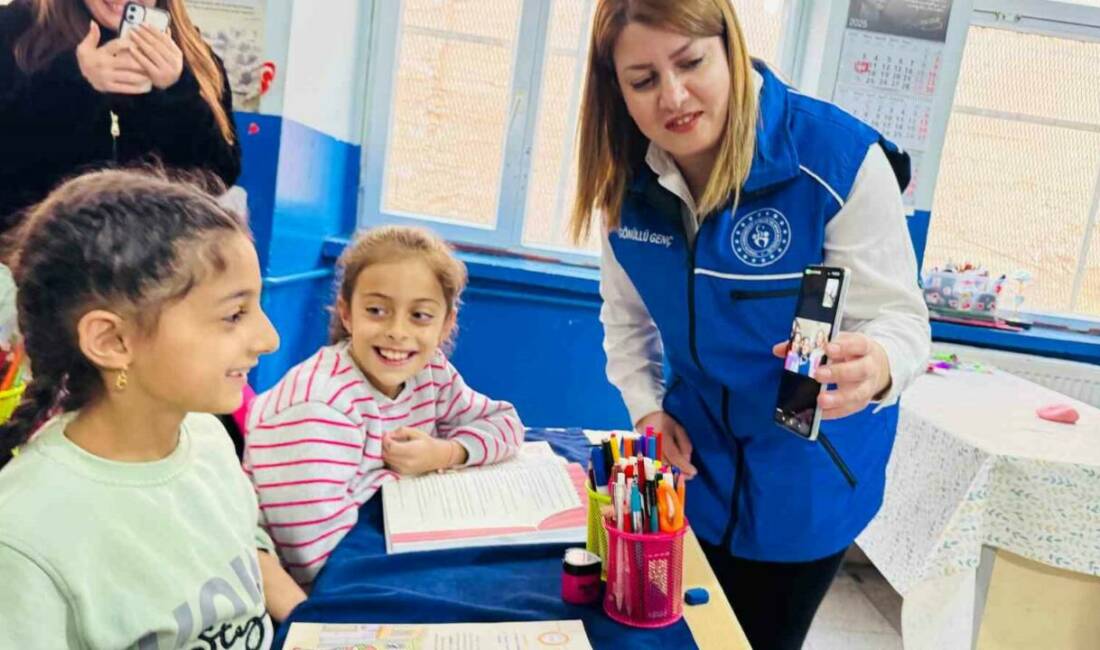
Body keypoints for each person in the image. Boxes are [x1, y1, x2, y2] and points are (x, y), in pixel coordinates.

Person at [569, 1, 930, 647]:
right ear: (615, 89)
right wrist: (648, 409)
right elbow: (626, 322)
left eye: (691, 62)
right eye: (643, 80)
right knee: (681, 632)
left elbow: (899, 316)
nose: (673, 97)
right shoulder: (623, 182)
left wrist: (876, 363)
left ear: (730, 47)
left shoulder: (838, 157)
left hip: (810, 478)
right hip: (693, 470)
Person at [0, 169, 305, 647]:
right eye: (233, 315)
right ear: (112, 340)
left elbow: (247, 553)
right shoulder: (24, 536)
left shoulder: (206, 437)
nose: (269, 339)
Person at [244, 225, 525, 584]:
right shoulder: (319, 405)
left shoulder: (431, 370)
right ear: (347, 313)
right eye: (377, 310)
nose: (397, 331)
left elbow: (504, 422)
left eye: (420, 315)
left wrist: (445, 453)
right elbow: (312, 560)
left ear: (445, 324)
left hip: (387, 549)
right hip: (321, 591)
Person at [0, 0, 240, 234]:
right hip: (30, 257)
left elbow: (217, 177)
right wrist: (73, 81)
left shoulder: (195, 55)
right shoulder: (16, 31)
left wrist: (177, 94)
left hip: (153, 260)